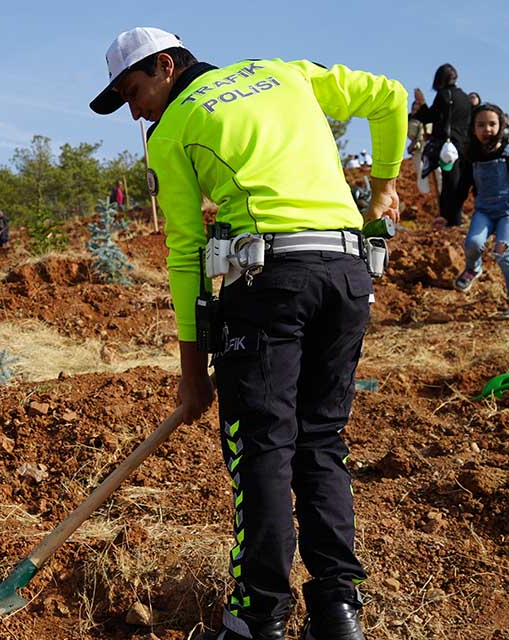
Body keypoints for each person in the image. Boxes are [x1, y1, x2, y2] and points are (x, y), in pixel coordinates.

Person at [90, 27, 405, 640]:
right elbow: (391, 96)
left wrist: (190, 374)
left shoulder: (174, 128)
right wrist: (386, 186)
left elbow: (185, 252)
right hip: (347, 275)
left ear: (164, 66)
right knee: (320, 441)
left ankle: (257, 619)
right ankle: (338, 614)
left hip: (268, 282)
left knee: (262, 448)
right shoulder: (283, 71)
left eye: (133, 91)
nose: (135, 110)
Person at [453, 104, 509, 318]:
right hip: (484, 211)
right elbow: (461, 189)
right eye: (481, 125)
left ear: (501, 126)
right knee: (473, 244)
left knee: (502, 251)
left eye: (492, 124)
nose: (487, 129)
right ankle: (473, 268)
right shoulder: (471, 157)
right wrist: (448, 213)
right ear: (473, 128)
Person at [411, 64, 472, 228]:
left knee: (448, 182)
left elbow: (429, 117)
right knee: (457, 181)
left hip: (447, 148)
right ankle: (454, 218)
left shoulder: (444, 95)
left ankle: (449, 219)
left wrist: (421, 103)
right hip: (462, 145)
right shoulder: (465, 98)